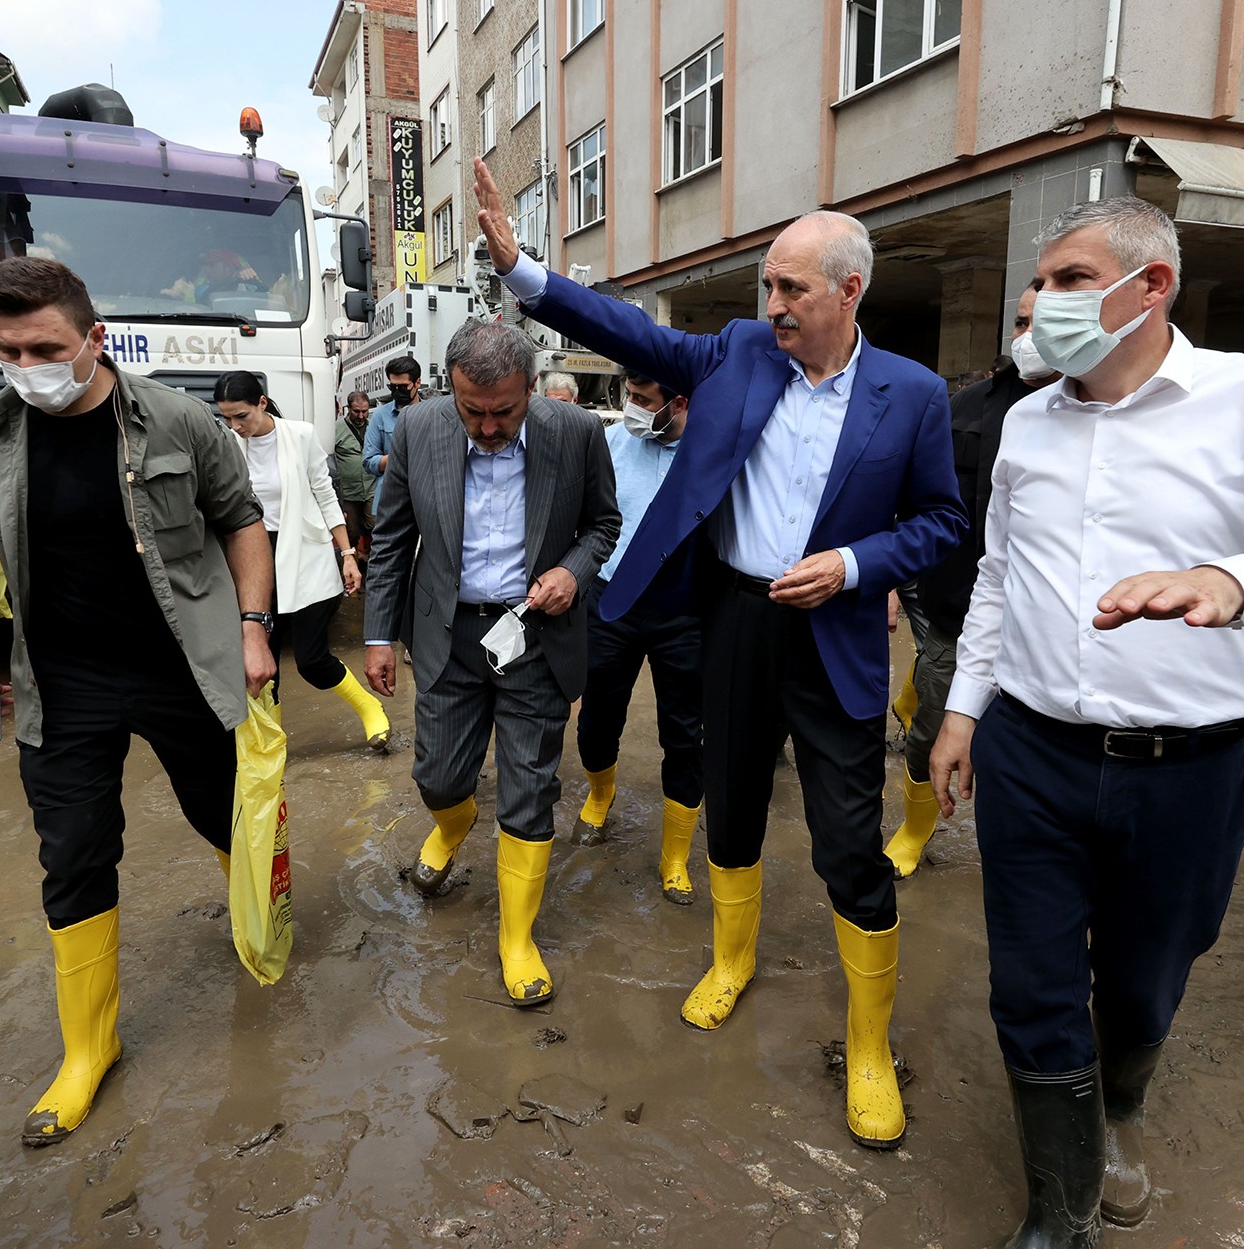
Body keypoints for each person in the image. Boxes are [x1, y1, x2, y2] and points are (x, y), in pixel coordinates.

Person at [927, 197, 1244, 1237]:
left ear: (1152, 287)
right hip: (1032, 755)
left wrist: (1231, 581)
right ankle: (1060, 1208)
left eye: (1067, 280)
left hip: (1189, 769)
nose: (1038, 301)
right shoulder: (1026, 423)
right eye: (1039, 283)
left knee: (1144, 981)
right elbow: (1001, 577)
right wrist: (963, 710)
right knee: (1032, 984)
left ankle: (1122, 1099)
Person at [475, 157, 966, 1152]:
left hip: (834, 630)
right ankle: (730, 959)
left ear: (848, 291)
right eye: (769, 286)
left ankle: (868, 1045)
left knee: (846, 839)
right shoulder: (740, 352)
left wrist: (857, 562)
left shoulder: (911, 393)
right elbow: (630, 334)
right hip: (733, 618)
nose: (773, 302)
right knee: (731, 801)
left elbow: (945, 518)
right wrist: (525, 269)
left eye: (792, 287)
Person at [0, 255, 276, 1147]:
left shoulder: (179, 421)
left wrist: (251, 627)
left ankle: (258, 929)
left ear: (94, 339)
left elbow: (241, 519)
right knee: (75, 852)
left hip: (183, 665)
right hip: (61, 681)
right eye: (8, 350)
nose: (27, 366)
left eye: (44, 347)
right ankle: (89, 1050)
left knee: (225, 816)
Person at [363, 318, 620, 1008]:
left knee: (530, 787)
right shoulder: (419, 430)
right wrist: (379, 635)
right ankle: (452, 827)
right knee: (439, 777)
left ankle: (516, 937)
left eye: (503, 411)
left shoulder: (576, 433)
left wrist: (573, 571)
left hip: (537, 634)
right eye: (470, 410)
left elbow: (603, 525)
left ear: (531, 391)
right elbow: (390, 539)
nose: (485, 427)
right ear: (451, 392)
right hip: (449, 633)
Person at [881, 279, 1055, 878]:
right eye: (1020, 323)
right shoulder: (965, 408)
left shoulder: (1106, 418)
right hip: (958, 602)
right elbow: (905, 502)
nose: (1028, 338)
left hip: (1058, 618)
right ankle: (914, 829)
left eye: (1041, 323)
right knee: (937, 716)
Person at [571, 369, 704, 905]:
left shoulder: (708, 457)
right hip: (610, 600)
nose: (632, 407)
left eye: (643, 399)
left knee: (685, 732)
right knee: (599, 713)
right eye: (629, 394)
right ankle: (601, 794)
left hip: (683, 608)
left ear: (679, 402)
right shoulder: (608, 442)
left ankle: (675, 856)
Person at [213, 370, 389, 751]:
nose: (234, 425)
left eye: (240, 416)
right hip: (252, 560)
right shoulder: (226, 444)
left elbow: (325, 496)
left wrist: (347, 555)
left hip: (305, 556)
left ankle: (369, 707)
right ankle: (270, 743)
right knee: (262, 661)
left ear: (261, 403)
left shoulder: (300, 435)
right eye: (226, 418)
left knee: (310, 659)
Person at [362, 355, 422, 511]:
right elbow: (369, 462)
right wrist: (398, 456)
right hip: (390, 503)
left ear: (417, 383)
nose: (397, 392)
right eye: (392, 387)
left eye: (403, 387)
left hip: (423, 501)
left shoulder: (431, 414)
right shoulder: (381, 416)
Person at [333, 391, 377, 557]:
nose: (361, 415)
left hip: (371, 488)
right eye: (356, 411)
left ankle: (373, 566)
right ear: (348, 409)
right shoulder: (336, 428)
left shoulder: (374, 426)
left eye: (364, 411)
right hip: (349, 492)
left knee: (375, 526)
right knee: (351, 532)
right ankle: (350, 567)